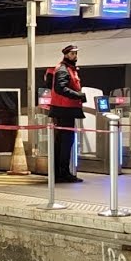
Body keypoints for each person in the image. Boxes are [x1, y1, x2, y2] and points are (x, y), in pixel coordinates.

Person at [47, 44, 87, 182]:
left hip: (63, 109)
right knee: (65, 142)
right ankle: (63, 173)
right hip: (65, 110)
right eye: (72, 54)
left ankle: (58, 172)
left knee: (62, 142)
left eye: (76, 54)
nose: (75, 56)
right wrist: (79, 96)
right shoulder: (63, 69)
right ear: (65, 55)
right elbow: (60, 88)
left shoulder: (68, 69)